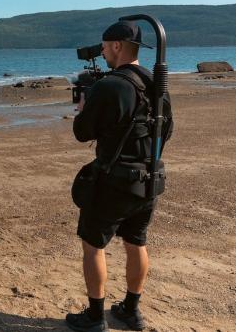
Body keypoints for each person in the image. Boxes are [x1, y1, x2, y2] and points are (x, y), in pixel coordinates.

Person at [66, 21, 173, 332]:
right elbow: (166, 130)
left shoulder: (111, 86)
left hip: (114, 181)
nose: (101, 51)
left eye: (104, 45)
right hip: (148, 179)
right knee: (136, 242)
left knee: (92, 244)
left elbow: (82, 131)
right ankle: (131, 310)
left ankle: (95, 316)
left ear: (116, 46)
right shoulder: (156, 84)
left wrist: (84, 107)